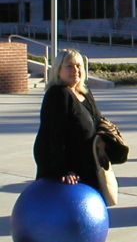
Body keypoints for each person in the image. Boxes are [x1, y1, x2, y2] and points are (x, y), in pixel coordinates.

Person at [33, 49, 106, 193]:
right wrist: (63, 170)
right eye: (69, 66)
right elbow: (53, 135)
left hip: (88, 164)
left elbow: (98, 120)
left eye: (78, 65)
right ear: (58, 70)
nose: (75, 70)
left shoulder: (84, 91)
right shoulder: (58, 94)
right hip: (68, 172)